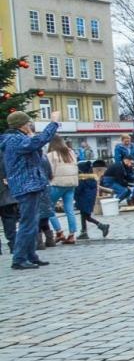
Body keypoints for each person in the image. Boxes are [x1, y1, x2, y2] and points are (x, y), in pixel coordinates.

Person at [2, 111, 59, 270]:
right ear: (21, 125)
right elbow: (39, 141)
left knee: (33, 222)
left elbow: (36, 150)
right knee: (27, 223)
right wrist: (53, 123)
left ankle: (31, 255)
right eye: (28, 123)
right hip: (26, 185)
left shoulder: (19, 138)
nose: (30, 126)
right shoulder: (15, 140)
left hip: (31, 184)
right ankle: (19, 258)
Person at [46, 138, 79, 244]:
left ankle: (59, 232)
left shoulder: (51, 155)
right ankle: (72, 235)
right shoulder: (71, 153)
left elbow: (49, 170)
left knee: (49, 208)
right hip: (71, 183)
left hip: (57, 183)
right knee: (69, 209)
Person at [75, 160, 109, 239]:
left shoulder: (83, 179)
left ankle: (102, 226)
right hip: (89, 200)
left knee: (86, 217)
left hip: (83, 200)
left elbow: (78, 190)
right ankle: (84, 231)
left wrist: (75, 196)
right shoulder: (92, 178)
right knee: (84, 216)